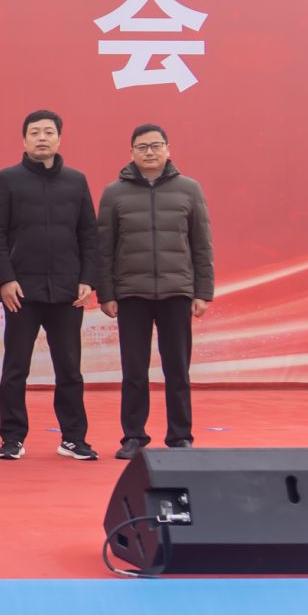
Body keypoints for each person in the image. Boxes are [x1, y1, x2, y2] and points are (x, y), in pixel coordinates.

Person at [0, 110, 101, 461]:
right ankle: (12, 437)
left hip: (67, 291)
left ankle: (73, 438)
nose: (41, 138)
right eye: (34, 132)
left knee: (69, 368)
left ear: (59, 138)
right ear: (24, 140)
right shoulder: (6, 180)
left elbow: (89, 234)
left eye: (48, 132)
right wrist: (6, 279)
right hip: (21, 291)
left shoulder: (76, 181)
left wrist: (87, 279)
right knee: (15, 368)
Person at [97, 124, 214, 459]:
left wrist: (203, 291)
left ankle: (180, 436)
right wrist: (107, 293)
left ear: (168, 149)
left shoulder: (189, 189)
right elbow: (104, 249)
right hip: (132, 293)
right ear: (131, 152)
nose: (149, 152)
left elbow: (201, 245)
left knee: (177, 370)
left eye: (156, 145)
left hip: (177, 292)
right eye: (142, 147)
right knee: (134, 371)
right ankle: (134, 436)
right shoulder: (114, 193)